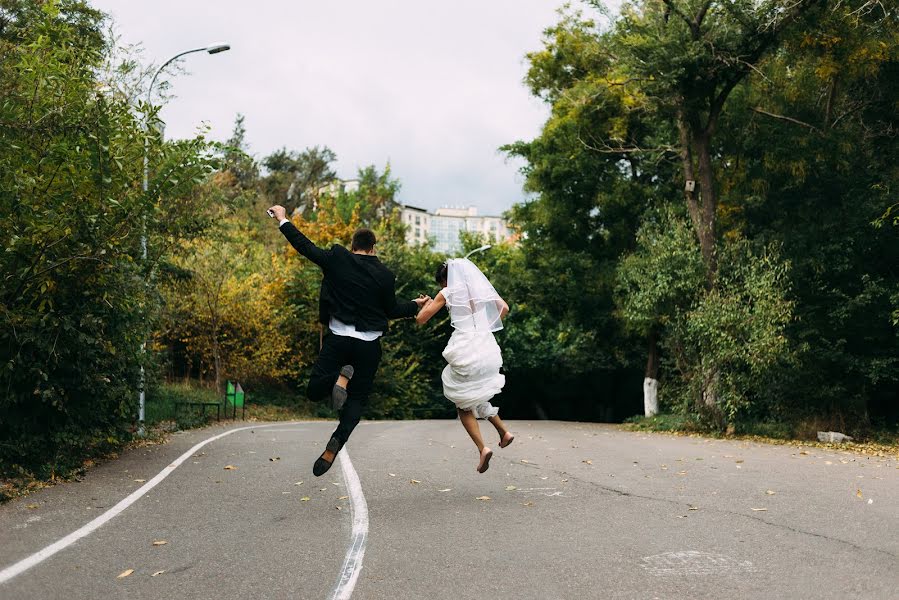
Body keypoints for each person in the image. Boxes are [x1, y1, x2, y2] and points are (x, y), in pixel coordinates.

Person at [268, 205, 429, 476]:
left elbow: (305, 247)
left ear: (352, 245)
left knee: (313, 391)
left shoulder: (337, 258)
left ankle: (338, 379)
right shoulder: (385, 276)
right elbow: (392, 310)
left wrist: (283, 219)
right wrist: (415, 304)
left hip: (339, 339)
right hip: (368, 346)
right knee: (357, 401)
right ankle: (337, 442)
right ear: (373, 247)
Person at [415, 258, 514, 473]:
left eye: (442, 283)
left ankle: (482, 448)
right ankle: (503, 433)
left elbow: (422, 319)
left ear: (445, 280)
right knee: (475, 394)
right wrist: (483, 327)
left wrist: (427, 304)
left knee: (462, 402)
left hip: (466, 349)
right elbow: (504, 308)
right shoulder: (481, 289)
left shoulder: (449, 292)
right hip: (486, 347)